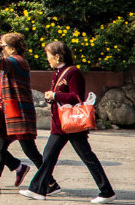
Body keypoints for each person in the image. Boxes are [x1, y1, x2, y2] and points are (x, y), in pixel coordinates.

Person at [21, 41, 116, 203]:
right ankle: (37, 189)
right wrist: (52, 98)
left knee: (86, 157)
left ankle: (106, 191)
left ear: (57, 56)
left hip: (72, 124)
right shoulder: (59, 72)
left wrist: (55, 96)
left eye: (49, 56)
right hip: (61, 124)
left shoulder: (73, 73)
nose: (48, 59)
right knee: (48, 156)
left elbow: (75, 96)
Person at [0, 33, 45, 194]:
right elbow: (2, 90)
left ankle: (49, 181)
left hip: (19, 112)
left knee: (30, 150)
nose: (0, 47)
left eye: (3, 45)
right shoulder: (12, 63)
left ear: (12, 48)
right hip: (10, 112)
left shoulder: (17, 61)